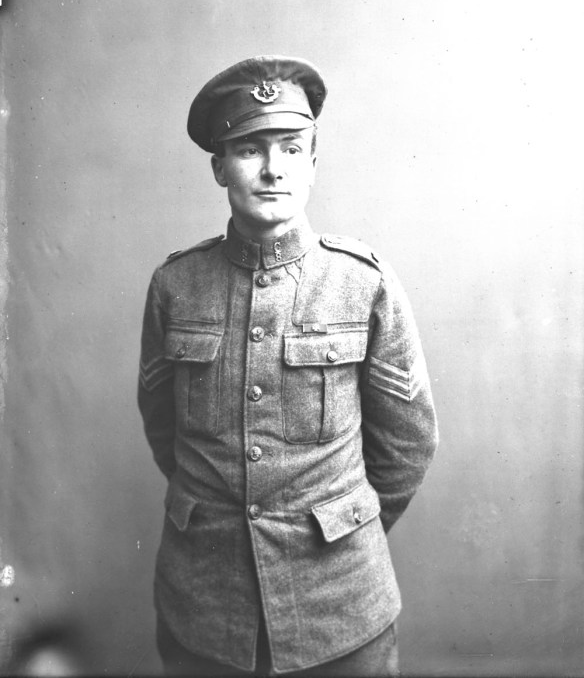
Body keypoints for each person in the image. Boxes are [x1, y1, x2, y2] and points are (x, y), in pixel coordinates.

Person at [137, 55, 438, 677]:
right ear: (220, 166)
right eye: (250, 148)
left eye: (293, 148)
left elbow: (407, 445)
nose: (274, 168)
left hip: (341, 610)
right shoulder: (177, 285)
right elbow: (164, 430)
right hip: (205, 607)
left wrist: (339, 528)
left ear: (313, 164)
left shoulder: (363, 285)